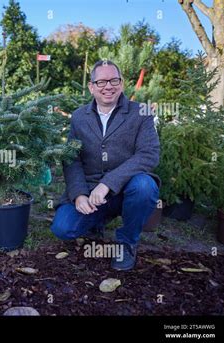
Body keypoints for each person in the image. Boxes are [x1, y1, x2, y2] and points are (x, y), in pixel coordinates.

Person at [51, 60, 160, 271]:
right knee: (62, 229)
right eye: (101, 82)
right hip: (91, 191)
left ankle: (127, 242)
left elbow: (149, 154)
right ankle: (96, 221)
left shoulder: (141, 113)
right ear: (91, 87)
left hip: (129, 188)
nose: (108, 86)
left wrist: (108, 183)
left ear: (122, 84)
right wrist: (79, 194)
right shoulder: (79, 117)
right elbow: (71, 158)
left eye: (113, 80)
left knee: (145, 186)